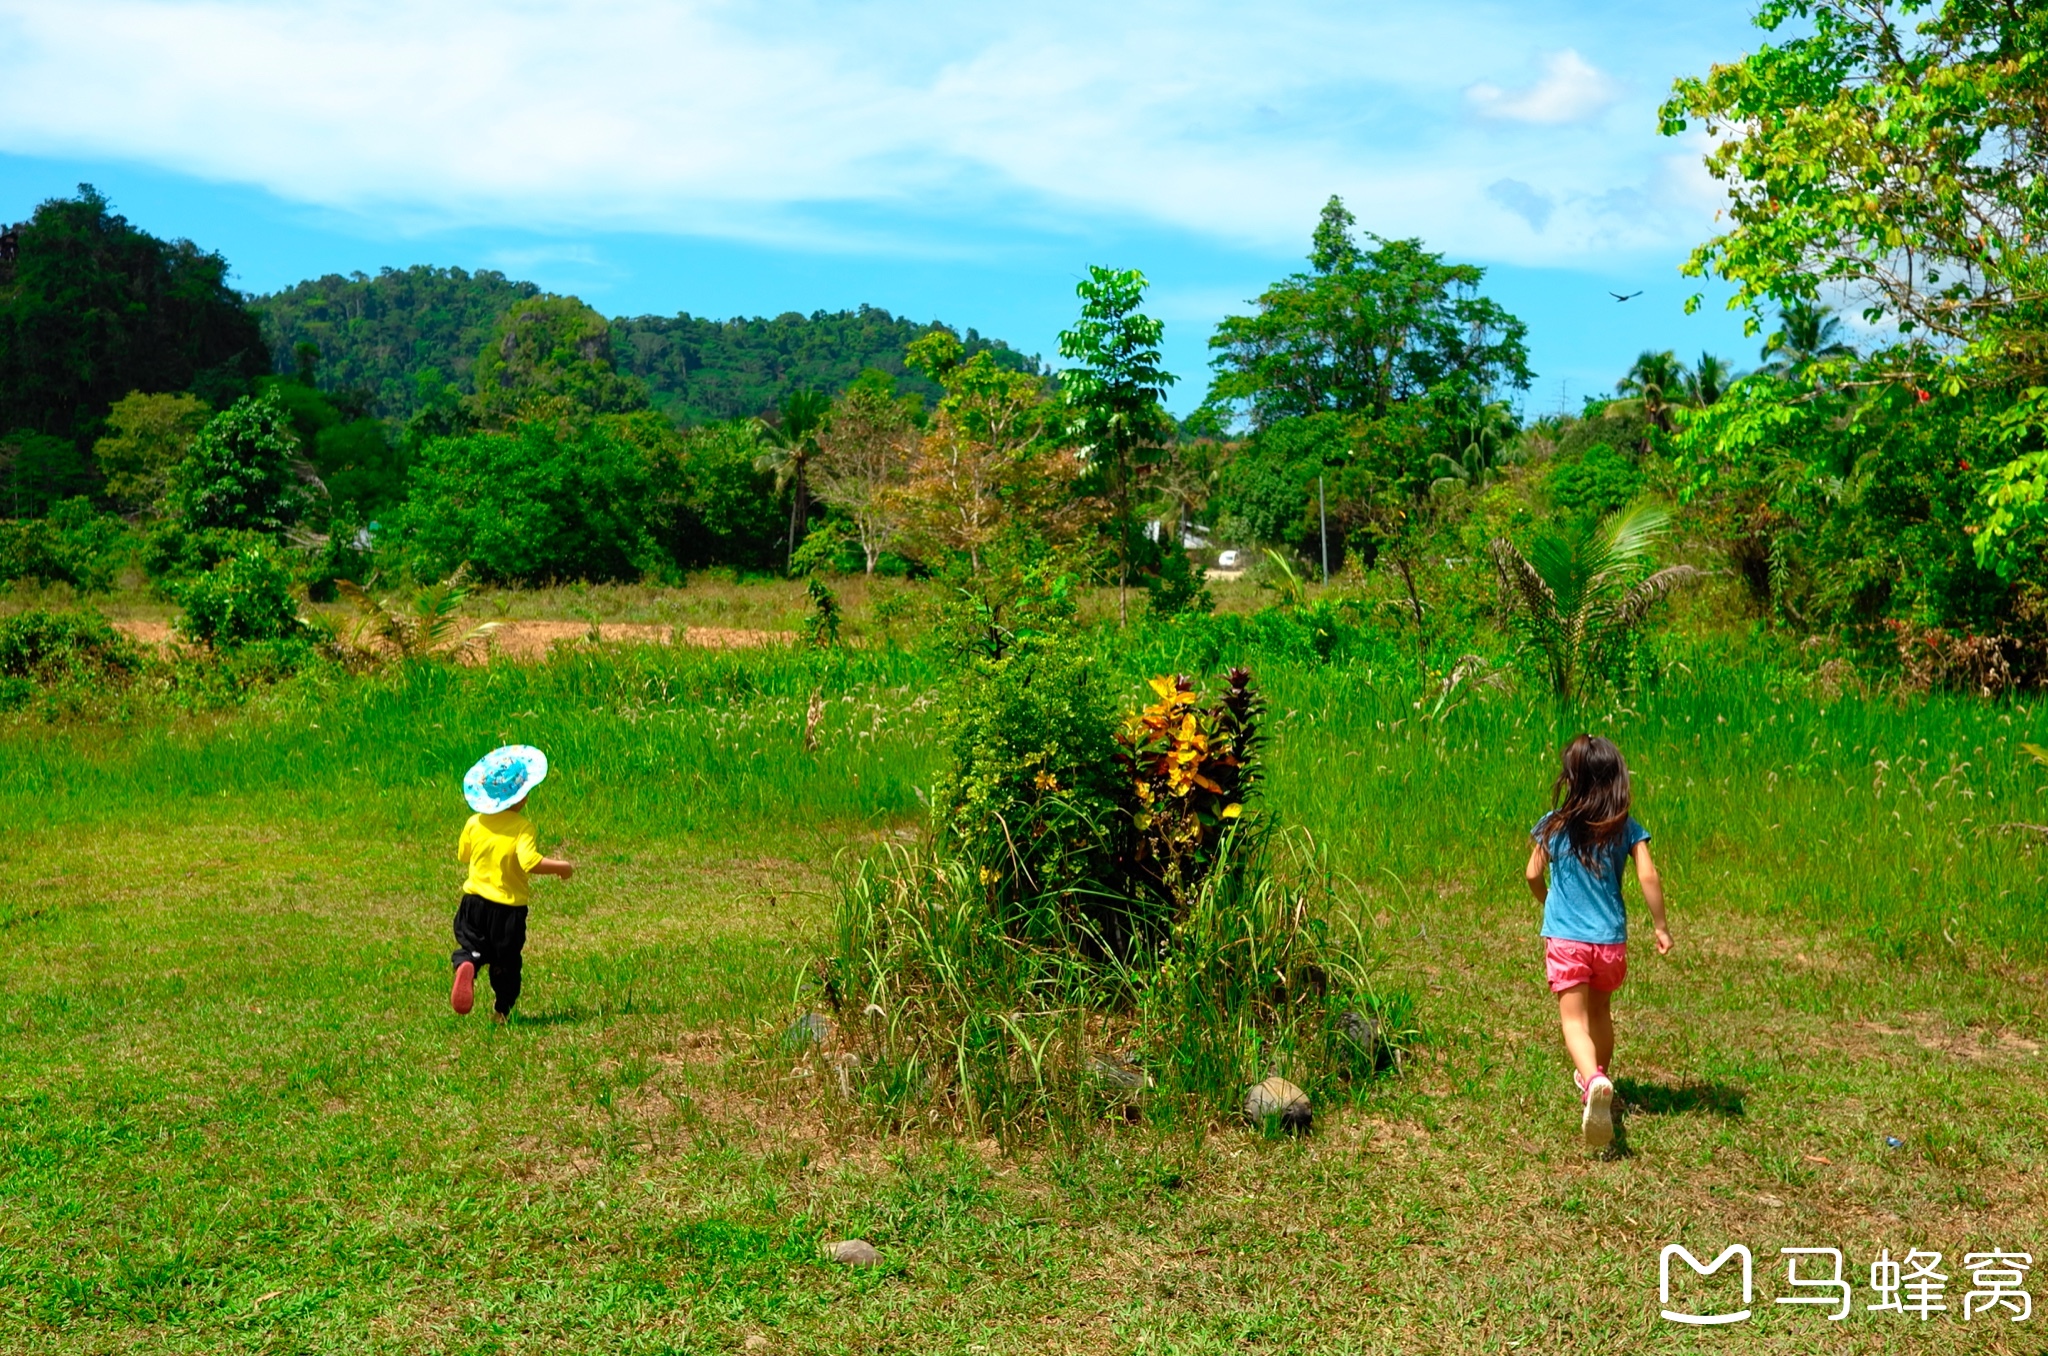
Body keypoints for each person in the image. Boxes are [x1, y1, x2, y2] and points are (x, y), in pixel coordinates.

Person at [1523, 734, 1671, 1148]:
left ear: (1571, 778)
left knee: (1573, 1020)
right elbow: (1648, 876)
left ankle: (1592, 1081)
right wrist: (1660, 926)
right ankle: (1600, 1071)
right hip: (1610, 942)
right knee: (1601, 1012)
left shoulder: (1553, 823)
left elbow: (1533, 875)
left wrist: (1548, 901)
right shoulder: (1626, 826)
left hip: (1567, 940)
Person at [451, 745, 574, 1024]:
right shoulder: (522, 827)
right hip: (507, 911)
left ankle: (467, 963)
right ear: (521, 796)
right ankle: (501, 1011)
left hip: (472, 903)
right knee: (505, 964)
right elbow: (530, 862)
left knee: (470, 946)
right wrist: (562, 868)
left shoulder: (474, 822)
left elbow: (463, 855)